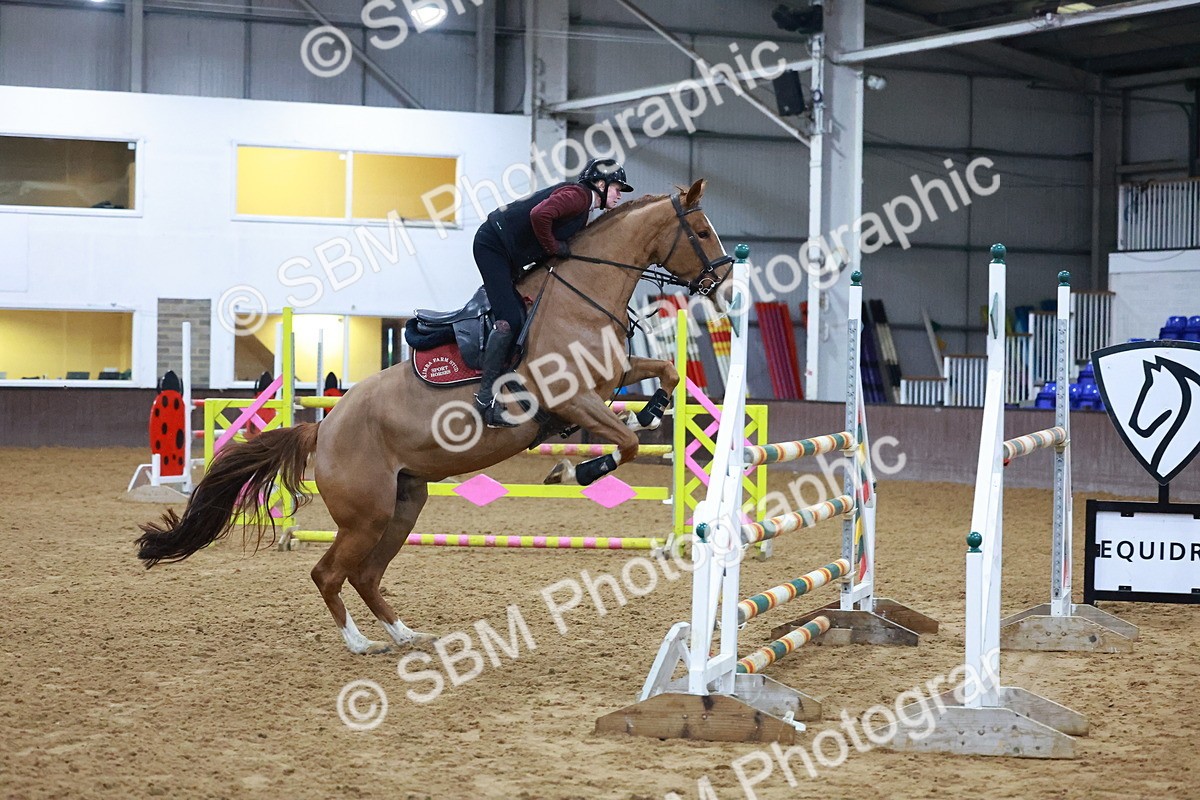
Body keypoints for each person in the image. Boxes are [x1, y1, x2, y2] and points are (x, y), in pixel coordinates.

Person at [471, 157, 634, 428]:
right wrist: (554, 247)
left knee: (524, 314)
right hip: (493, 246)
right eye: (618, 188)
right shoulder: (578, 197)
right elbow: (540, 215)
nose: (619, 195)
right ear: (601, 184)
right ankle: (485, 401)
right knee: (510, 319)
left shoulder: (584, 208)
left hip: (507, 251)